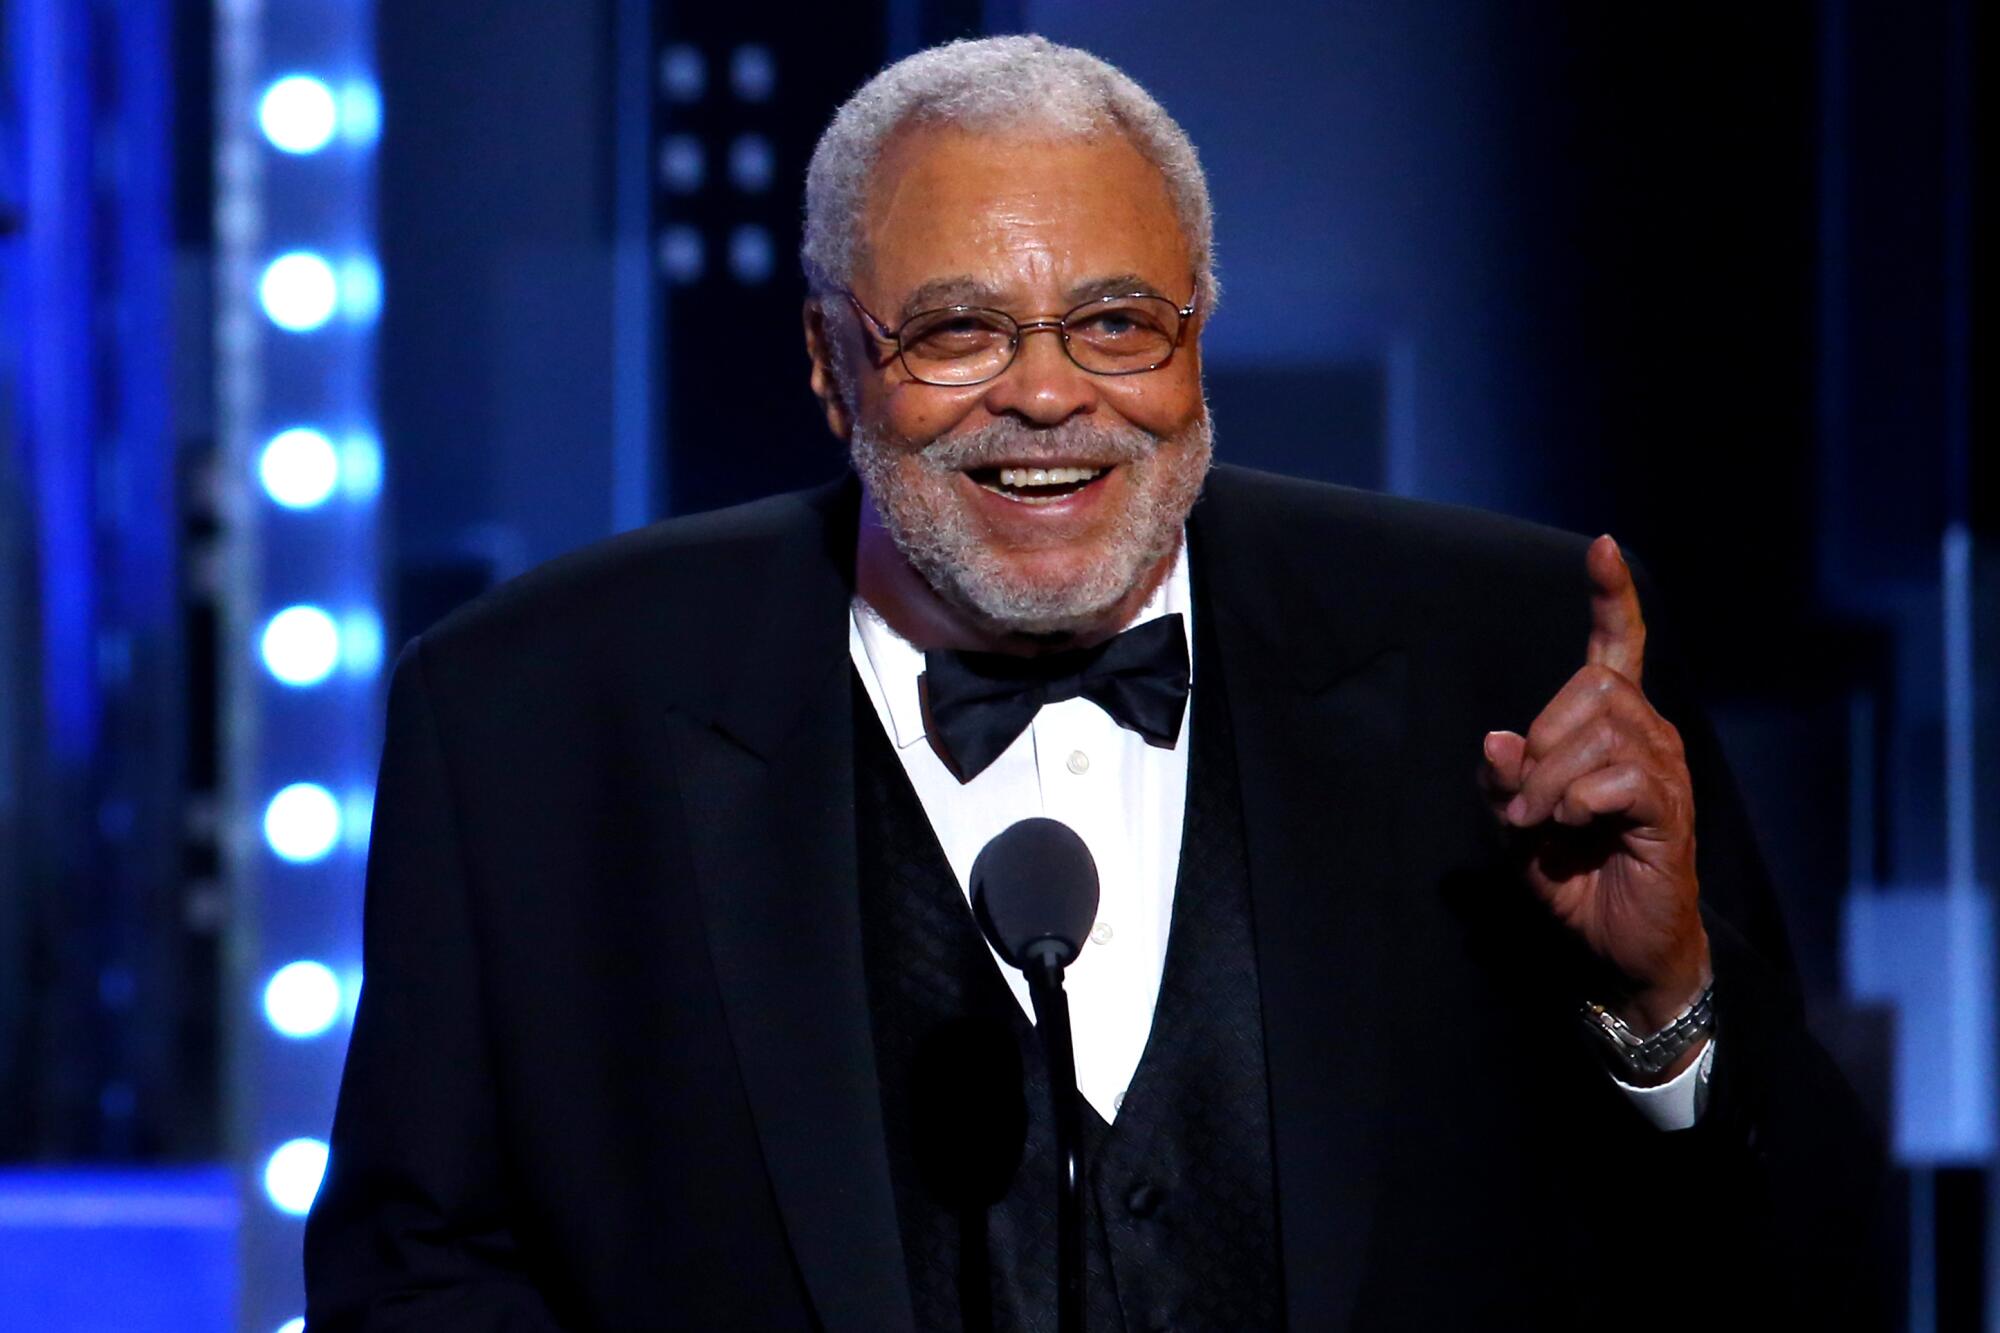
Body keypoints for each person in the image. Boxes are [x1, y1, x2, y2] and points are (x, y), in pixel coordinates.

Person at [304, 35, 1885, 1332]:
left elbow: (1808, 1274)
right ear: (824, 362)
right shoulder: (530, 717)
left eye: (1118, 322)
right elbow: (415, 1277)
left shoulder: (1521, 647)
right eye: (956, 330)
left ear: (1200, 335)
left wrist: (1663, 1010)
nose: (1049, 392)